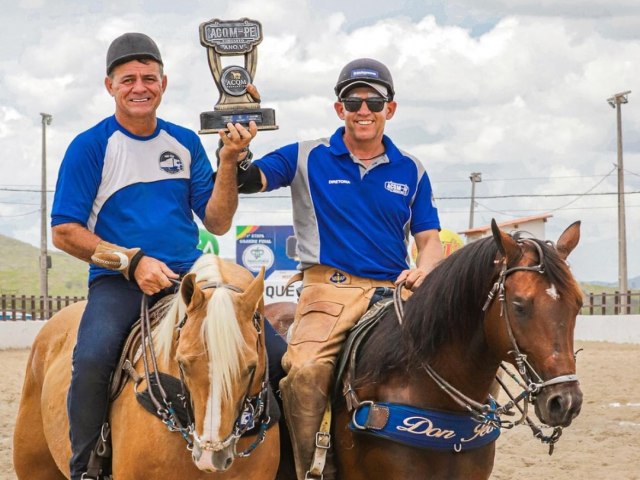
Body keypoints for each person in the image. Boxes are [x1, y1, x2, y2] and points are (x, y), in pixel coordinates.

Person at [50, 32, 286, 480]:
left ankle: (288, 461)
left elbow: (216, 221)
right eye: (128, 79)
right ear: (110, 86)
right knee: (94, 357)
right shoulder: (90, 146)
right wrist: (132, 262)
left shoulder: (183, 142)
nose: (140, 87)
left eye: (149, 78)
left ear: (164, 83)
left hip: (190, 276)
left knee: (275, 353)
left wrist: (231, 160)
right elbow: (64, 232)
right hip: (118, 282)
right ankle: (87, 466)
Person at [229, 58, 443, 479]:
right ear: (339, 108)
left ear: (390, 109)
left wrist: (426, 269)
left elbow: (429, 239)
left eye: (374, 101)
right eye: (353, 101)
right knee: (306, 372)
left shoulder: (412, 169)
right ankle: (312, 469)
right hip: (329, 290)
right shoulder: (307, 156)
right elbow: (249, 179)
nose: (364, 110)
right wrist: (238, 147)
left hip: (394, 292)